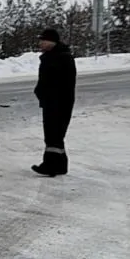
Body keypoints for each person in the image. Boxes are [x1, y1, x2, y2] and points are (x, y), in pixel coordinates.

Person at [32, 27, 77, 177]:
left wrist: (46, 94)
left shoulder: (60, 58)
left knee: (53, 135)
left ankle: (50, 165)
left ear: (51, 42)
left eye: (43, 41)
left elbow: (59, 82)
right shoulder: (53, 56)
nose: (40, 44)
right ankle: (61, 165)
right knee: (55, 135)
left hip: (58, 102)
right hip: (52, 101)